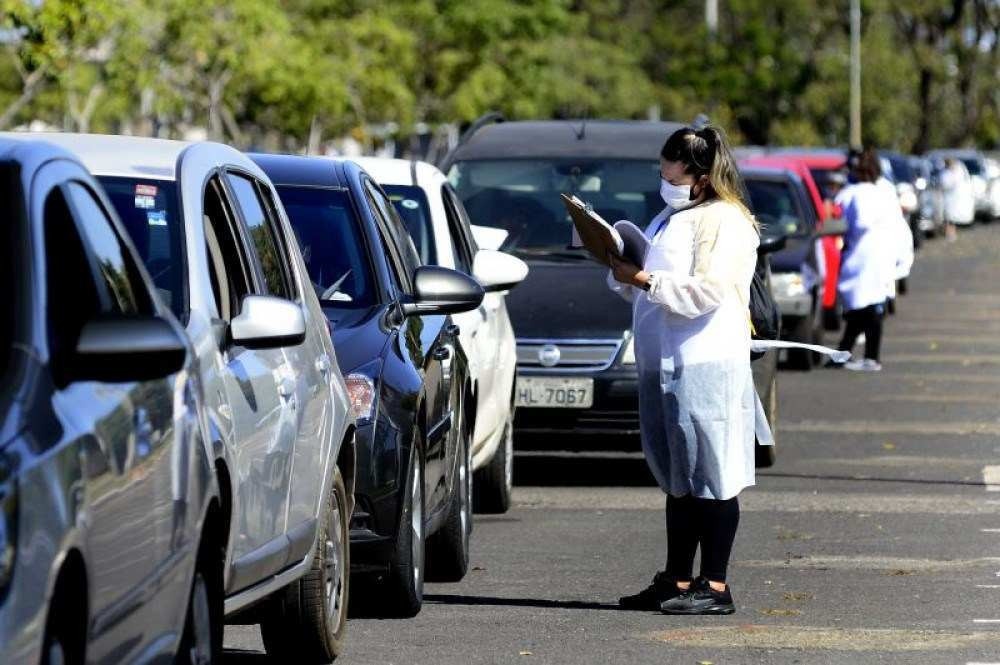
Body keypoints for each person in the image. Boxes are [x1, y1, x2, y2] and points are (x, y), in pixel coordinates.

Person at [608, 125, 769, 615]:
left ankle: (715, 586)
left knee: (712, 475)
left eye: (669, 170)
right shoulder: (673, 215)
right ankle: (677, 579)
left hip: (705, 363)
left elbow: (706, 292)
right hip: (665, 362)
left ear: (698, 175)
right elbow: (651, 279)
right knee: (679, 478)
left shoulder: (726, 221)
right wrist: (622, 266)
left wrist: (641, 277)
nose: (663, 177)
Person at [828, 148, 895, 371]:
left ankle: (870, 357)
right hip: (881, 254)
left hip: (860, 254)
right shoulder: (885, 192)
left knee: (866, 307)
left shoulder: (851, 193)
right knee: (865, 306)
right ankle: (845, 352)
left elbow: (843, 222)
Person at [939, 158, 974, 240]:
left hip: (954, 198)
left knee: (950, 217)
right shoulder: (945, 172)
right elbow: (944, 183)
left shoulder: (959, 170)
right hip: (947, 198)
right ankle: (949, 233)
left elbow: (952, 183)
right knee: (948, 217)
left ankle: (950, 233)